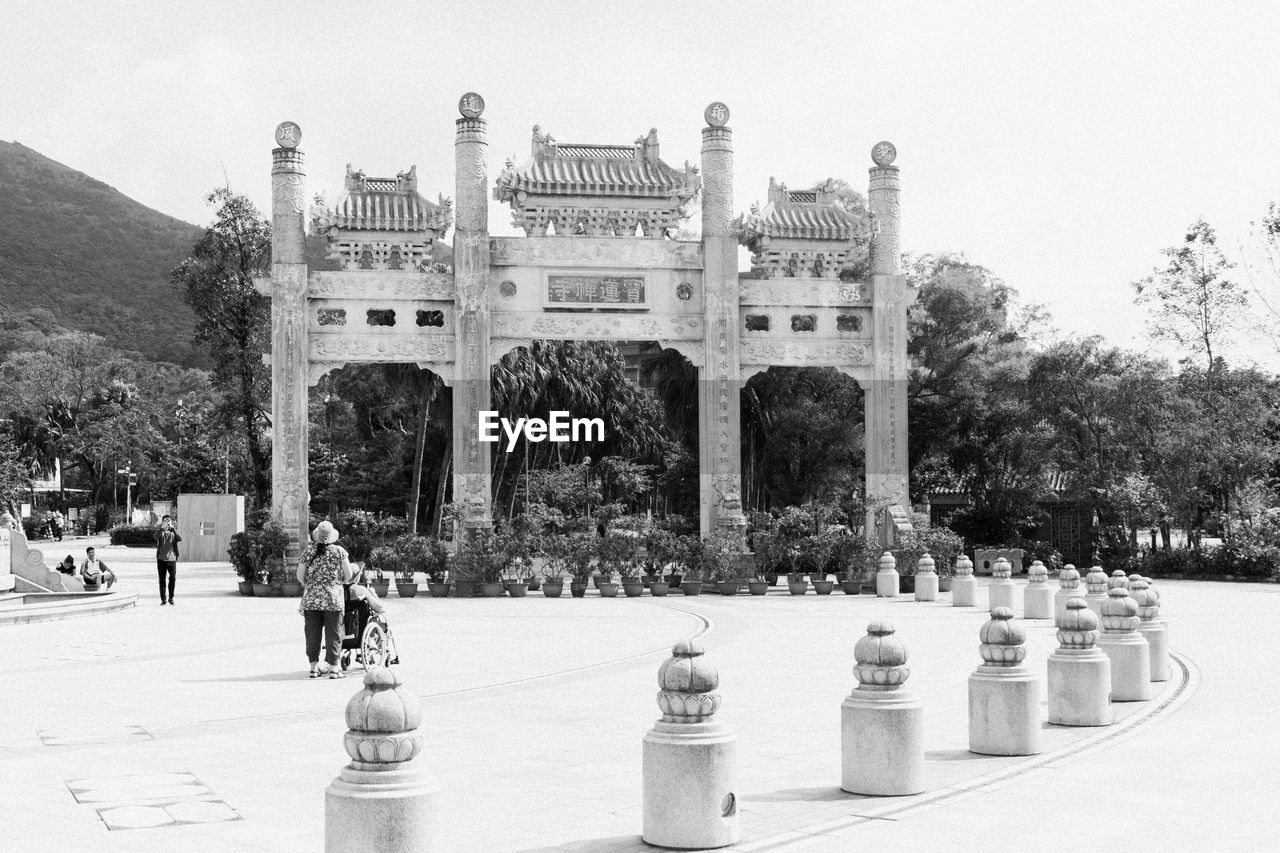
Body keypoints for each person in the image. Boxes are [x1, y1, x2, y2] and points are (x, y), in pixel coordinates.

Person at [298, 520, 354, 678]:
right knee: (334, 633)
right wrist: (338, 583)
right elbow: (349, 575)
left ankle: (313, 667)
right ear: (331, 536)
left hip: (312, 599)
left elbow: (299, 576)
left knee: (312, 634)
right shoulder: (339, 551)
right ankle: (334, 668)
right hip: (333, 599)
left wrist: (309, 585)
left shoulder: (308, 551)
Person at [155, 515, 182, 606]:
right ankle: (163, 599)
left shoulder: (173, 532)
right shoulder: (161, 532)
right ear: (162, 522)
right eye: (165, 520)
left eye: (169, 520)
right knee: (162, 580)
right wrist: (161, 529)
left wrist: (173, 528)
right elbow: (155, 537)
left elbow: (180, 538)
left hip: (172, 559)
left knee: (173, 578)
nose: (167, 522)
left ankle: (171, 598)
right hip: (161, 559)